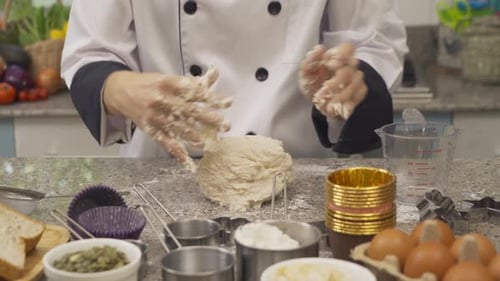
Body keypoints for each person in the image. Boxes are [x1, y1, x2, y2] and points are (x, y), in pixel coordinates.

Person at [61, 0, 408, 165]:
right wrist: (122, 88)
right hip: (165, 173)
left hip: (297, 173)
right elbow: (88, 53)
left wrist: (347, 77)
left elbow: (374, 43)